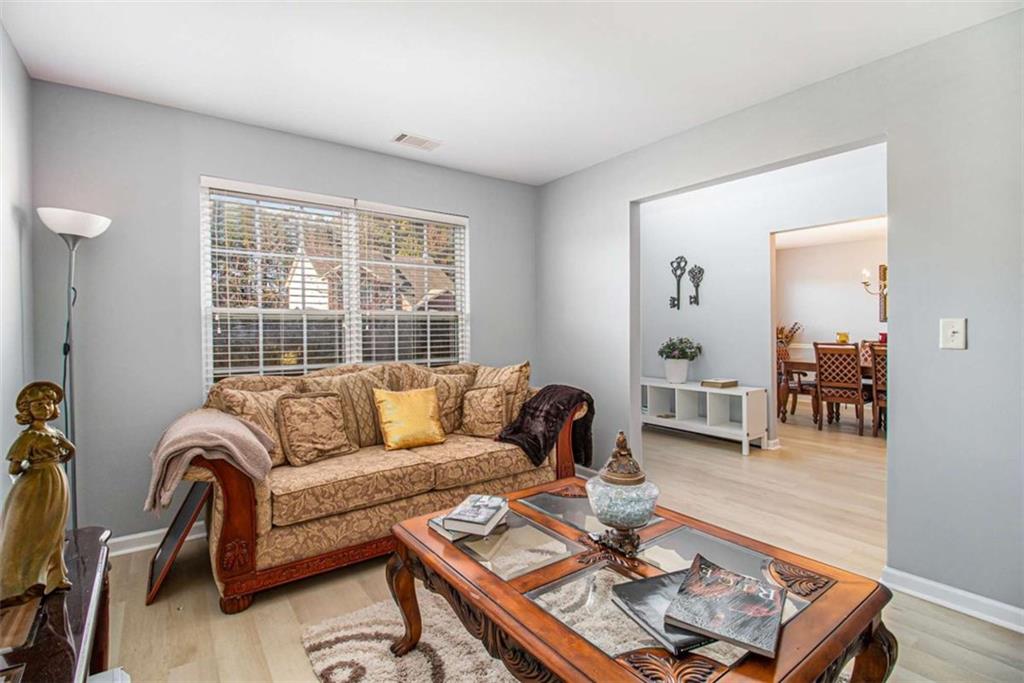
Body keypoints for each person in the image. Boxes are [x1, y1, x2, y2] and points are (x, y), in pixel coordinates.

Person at [0, 381, 75, 606]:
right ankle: (23, 582)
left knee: (55, 531)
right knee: (36, 532)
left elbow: (68, 452)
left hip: (56, 480)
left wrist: (66, 449)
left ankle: (55, 576)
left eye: (49, 403)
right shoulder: (28, 437)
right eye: (39, 404)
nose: (45, 408)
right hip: (36, 485)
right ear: (28, 409)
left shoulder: (53, 433)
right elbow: (14, 467)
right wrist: (34, 470)